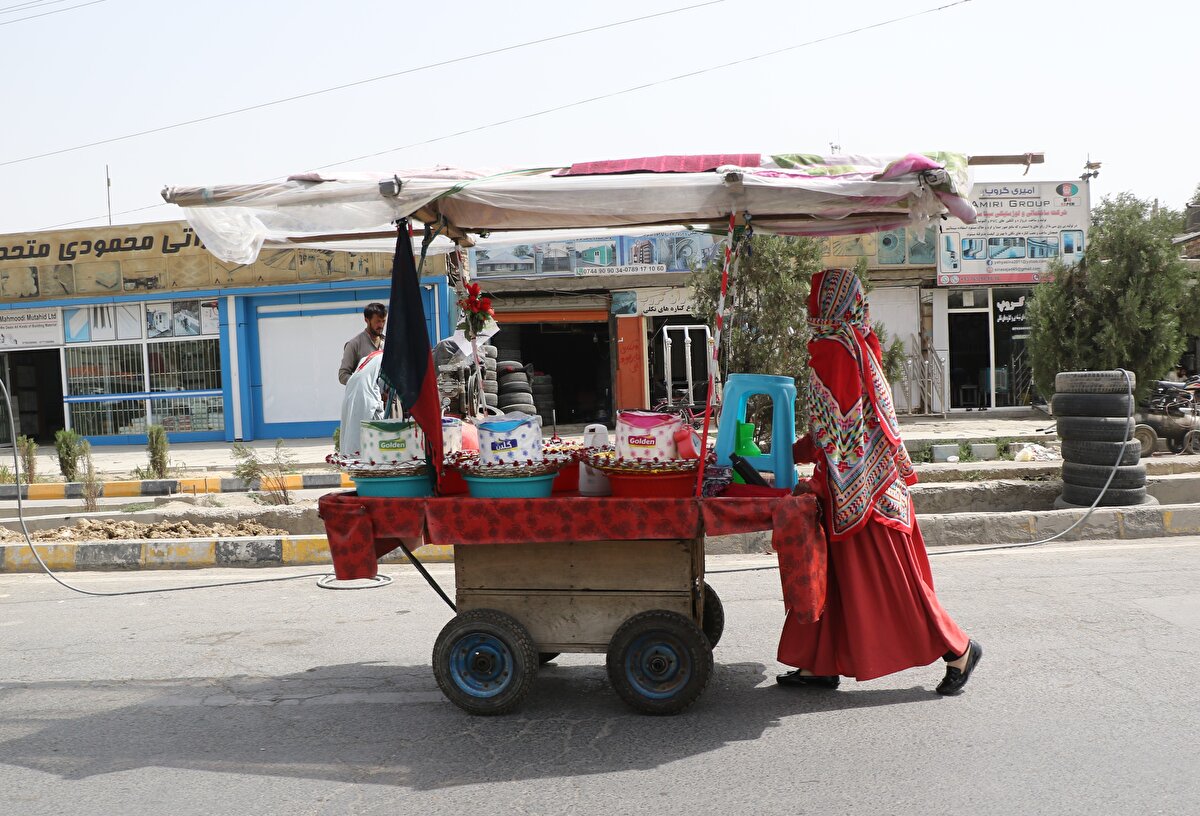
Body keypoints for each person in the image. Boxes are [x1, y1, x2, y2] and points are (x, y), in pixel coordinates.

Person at [776, 268, 982, 695]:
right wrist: (798, 452)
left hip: (861, 495)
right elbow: (841, 427)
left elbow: (840, 433)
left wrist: (791, 455)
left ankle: (958, 648)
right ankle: (820, 664)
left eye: (813, 298)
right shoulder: (857, 343)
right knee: (834, 577)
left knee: (894, 583)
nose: (808, 305)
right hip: (867, 485)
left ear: (827, 304)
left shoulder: (833, 350)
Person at [338, 303, 387, 385]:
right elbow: (343, 375)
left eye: (383, 321)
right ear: (367, 320)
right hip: (365, 397)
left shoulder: (388, 343)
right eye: (378, 321)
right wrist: (362, 384)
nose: (381, 325)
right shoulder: (354, 344)